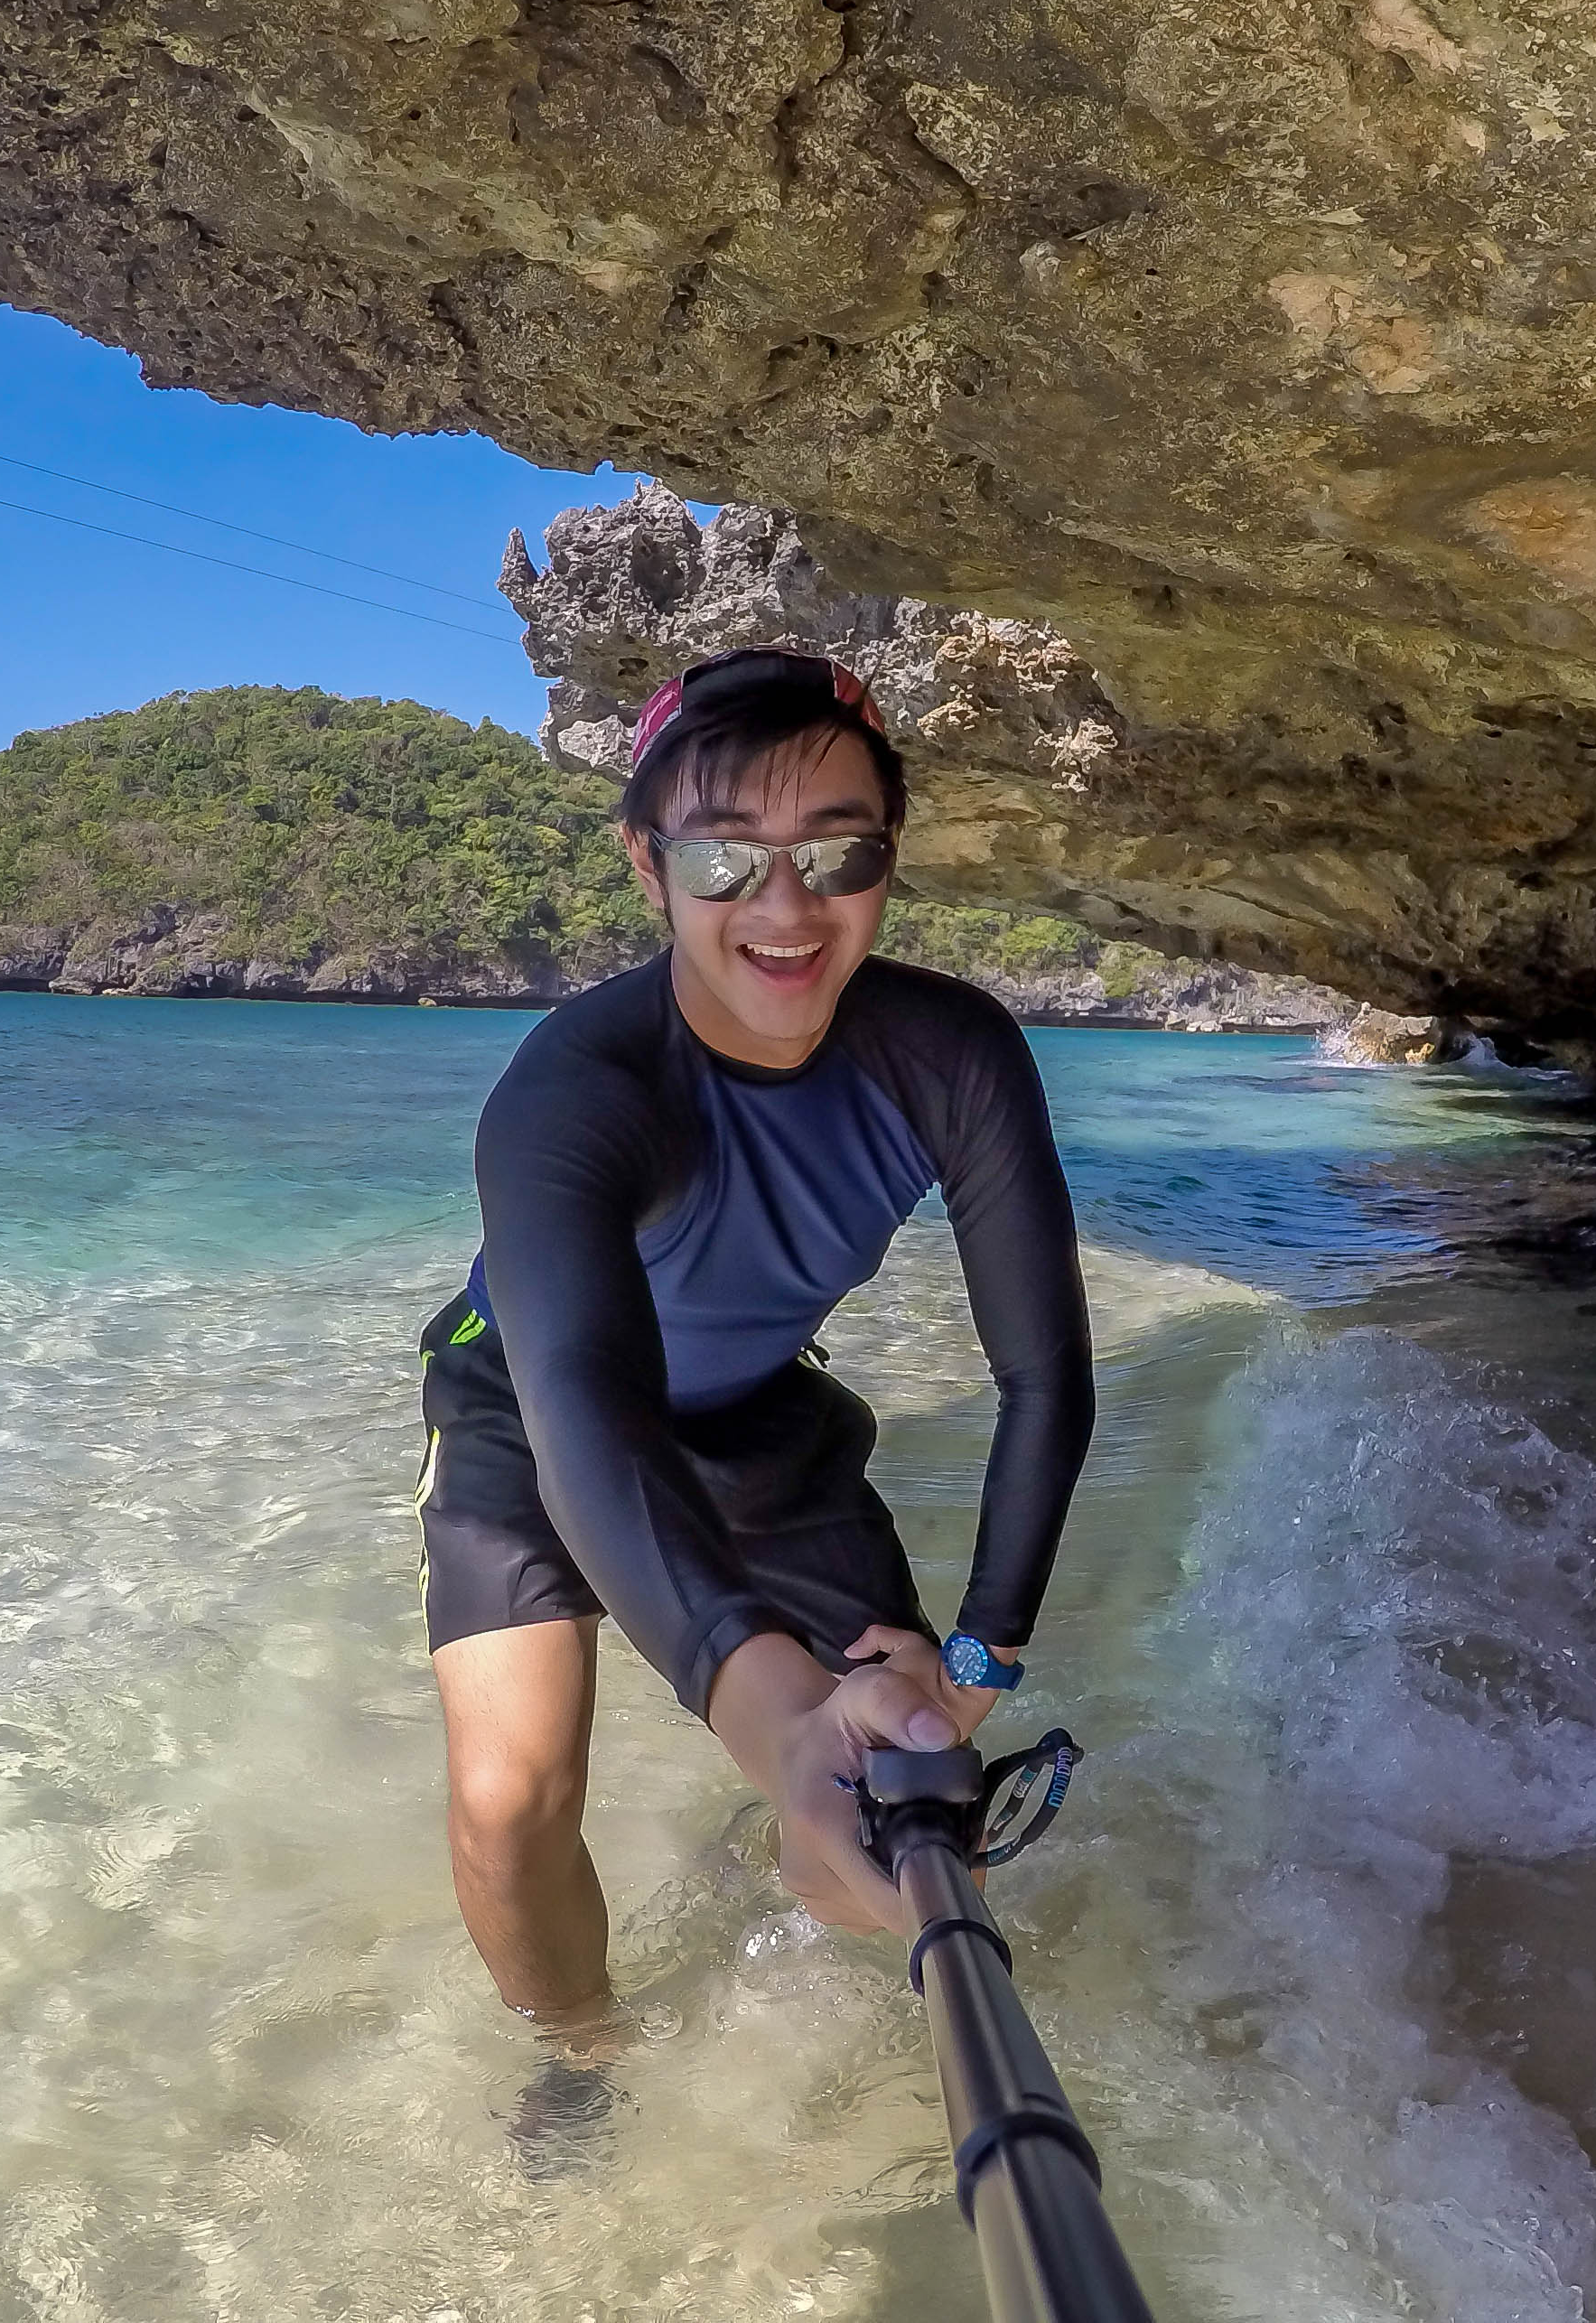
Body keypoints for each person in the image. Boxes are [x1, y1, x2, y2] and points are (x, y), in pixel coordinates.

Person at [413, 645, 1096, 2161]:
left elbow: (1042, 1374)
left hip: (755, 1414)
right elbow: (585, 1417)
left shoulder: (951, 1056)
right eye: (724, 857)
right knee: (512, 1801)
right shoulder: (576, 1090)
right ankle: (582, 2061)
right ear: (646, 864)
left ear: (890, 859)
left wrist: (973, 1666)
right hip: (530, 1410)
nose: (785, 909)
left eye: (839, 854)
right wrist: (773, 1711)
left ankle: (832, 1973)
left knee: (903, 1774)